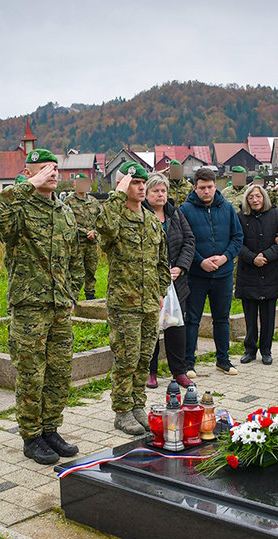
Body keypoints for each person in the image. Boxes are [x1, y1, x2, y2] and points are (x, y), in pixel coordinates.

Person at [0, 149, 82, 465]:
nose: (52, 173)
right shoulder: (19, 209)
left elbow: (70, 257)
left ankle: (49, 429)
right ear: (27, 175)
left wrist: (70, 294)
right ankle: (31, 436)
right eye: (43, 169)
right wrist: (28, 186)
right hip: (30, 306)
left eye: (54, 168)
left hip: (58, 305)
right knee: (31, 374)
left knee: (58, 371)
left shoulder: (63, 210)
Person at [97, 163, 171, 435]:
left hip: (150, 301)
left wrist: (161, 289)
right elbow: (104, 230)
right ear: (123, 186)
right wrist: (116, 195)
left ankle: (138, 404)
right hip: (124, 302)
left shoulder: (151, 221)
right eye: (135, 183)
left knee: (144, 357)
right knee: (126, 358)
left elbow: (163, 260)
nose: (141, 187)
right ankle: (122, 410)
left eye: (143, 183)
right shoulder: (115, 217)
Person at [179, 167, 243, 377]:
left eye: (210, 187)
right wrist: (200, 262)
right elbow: (183, 242)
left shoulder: (226, 208)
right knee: (192, 319)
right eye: (202, 188)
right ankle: (189, 362)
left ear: (216, 186)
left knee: (222, 318)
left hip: (223, 274)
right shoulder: (186, 210)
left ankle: (223, 360)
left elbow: (237, 237)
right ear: (195, 188)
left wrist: (225, 257)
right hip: (197, 276)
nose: (206, 191)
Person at [143, 172, 195, 389]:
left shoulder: (175, 214)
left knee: (176, 327)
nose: (160, 194)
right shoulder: (141, 214)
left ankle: (179, 371)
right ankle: (150, 371)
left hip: (176, 281)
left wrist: (181, 267)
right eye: (155, 191)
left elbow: (189, 241)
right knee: (151, 327)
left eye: (163, 190)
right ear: (146, 194)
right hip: (150, 281)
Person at [235, 184, 278, 365]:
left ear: (264, 197)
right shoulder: (241, 217)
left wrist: (266, 255)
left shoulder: (276, 215)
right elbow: (236, 242)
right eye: (251, 197)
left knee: (268, 316)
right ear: (247, 200)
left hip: (270, 271)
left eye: (258, 196)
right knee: (249, 315)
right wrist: (252, 258)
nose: (255, 200)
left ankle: (266, 350)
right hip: (248, 271)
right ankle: (250, 349)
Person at [65, 173, 101, 300]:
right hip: (77, 244)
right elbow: (66, 222)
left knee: (91, 270)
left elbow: (101, 222)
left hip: (91, 244)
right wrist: (85, 232)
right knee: (76, 272)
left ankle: (90, 297)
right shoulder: (68, 202)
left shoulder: (94, 202)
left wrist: (95, 233)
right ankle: (72, 298)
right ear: (74, 184)